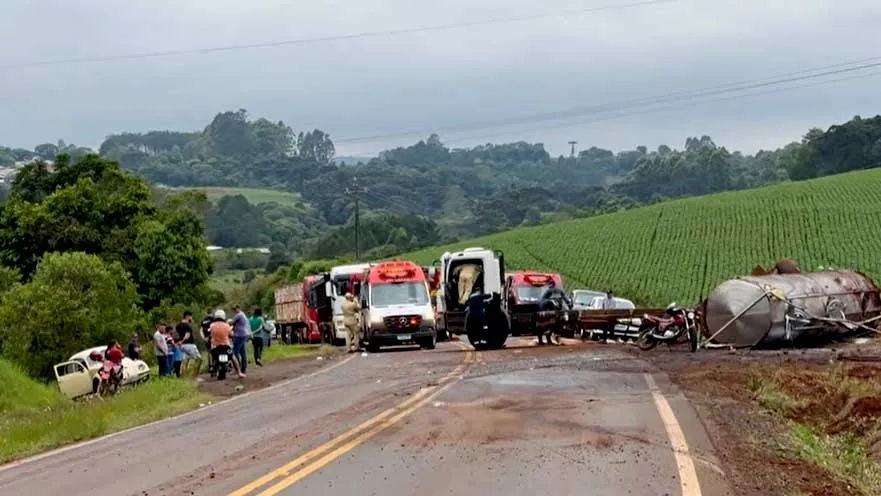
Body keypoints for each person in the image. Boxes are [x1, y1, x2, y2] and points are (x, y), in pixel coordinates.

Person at [209, 309, 244, 379]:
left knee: (212, 356)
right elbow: (231, 334)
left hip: (215, 346)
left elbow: (210, 333)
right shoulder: (226, 325)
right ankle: (239, 372)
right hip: (226, 346)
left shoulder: (212, 325)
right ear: (223, 316)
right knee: (233, 357)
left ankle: (213, 369)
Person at [176, 311, 203, 377]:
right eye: (191, 316)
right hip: (189, 345)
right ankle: (195, 376)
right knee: (199, 359)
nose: (191, 318)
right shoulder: (187, 326)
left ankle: (183, 377)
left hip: (182, 346)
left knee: (185, 361)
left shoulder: (178, 326)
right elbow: (187, 335)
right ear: (187, 316)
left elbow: (178, 335)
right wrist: (182, 341)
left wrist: (179, 342)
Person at [231, 306, 251, 376]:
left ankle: (237, 368)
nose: (234, 311)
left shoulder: (239, 315)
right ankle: (243, 368)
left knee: (235, 352)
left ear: (238, 308)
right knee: (242, 352)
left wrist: (229, 322)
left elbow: (231, 323)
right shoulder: (243, 314)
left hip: (239, 335)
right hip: (243, 334)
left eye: (235, 309)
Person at [200, 309, 215, 375]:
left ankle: (210, 366)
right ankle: (215, 366)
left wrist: (204, 338)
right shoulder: (214, 319)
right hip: (214, 338)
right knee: (215, 351)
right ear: (212, 312)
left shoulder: (203, 321)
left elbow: (201, 330)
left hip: (206, 338)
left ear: (206, 312)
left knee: (209, 352)